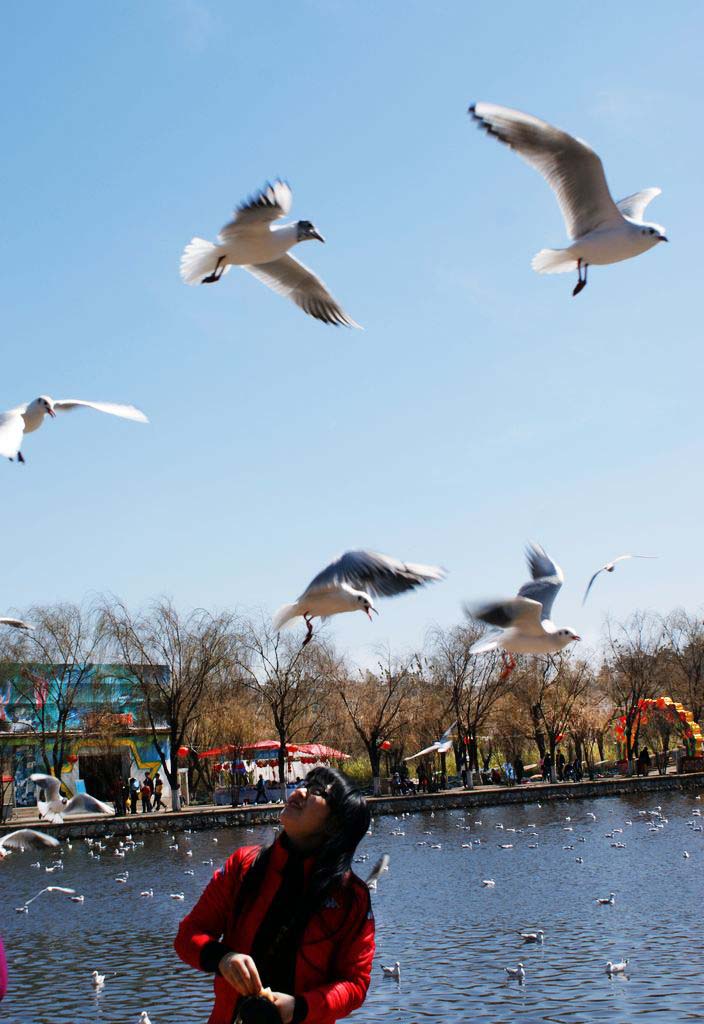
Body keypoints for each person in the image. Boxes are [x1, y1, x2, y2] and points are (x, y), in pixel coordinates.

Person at [175, 767, 375, 1024]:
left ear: (335, 824)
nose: (300, 791)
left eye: (316, 791)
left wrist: (300, 1007)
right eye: (305, 783)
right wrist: (223, 958)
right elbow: (187, 935)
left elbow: (355, 984)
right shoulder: (245, 865)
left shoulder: (351, 899)